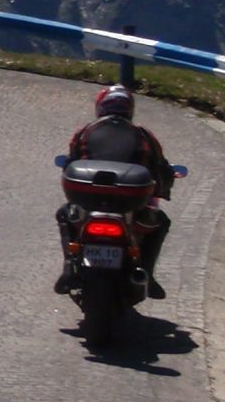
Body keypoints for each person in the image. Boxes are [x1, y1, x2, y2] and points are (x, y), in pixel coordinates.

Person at [57, 82, 173, 297]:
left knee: (65, 215)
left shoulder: (84, 132)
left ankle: (69, 267)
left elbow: (69, 165)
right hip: (130, 205)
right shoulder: (144, 135)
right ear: (129, 109)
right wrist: (163, 188)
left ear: (100, 107)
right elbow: (160, 169)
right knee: (160, 222)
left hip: (89, 202)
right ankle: (146, 272)